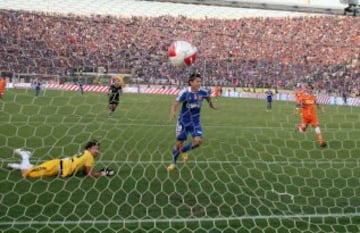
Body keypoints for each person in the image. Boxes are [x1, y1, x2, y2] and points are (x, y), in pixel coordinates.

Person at [167, 73, 217, 172]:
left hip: (195, 122)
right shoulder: (185, 93)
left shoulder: (203, 92)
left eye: (200, 81)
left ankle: (183, 151)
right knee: (178, 144)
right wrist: (173, 112)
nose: (199, 83)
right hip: (183, 122)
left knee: (198, 142)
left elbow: (208, 97)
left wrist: (211, 105)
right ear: (191, 82)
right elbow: (175, 104)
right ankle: (173, 163)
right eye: (197, 81)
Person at [7, 139, 114, 178]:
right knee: (28, 174)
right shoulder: (89, 156)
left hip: (58, 165)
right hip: (56, 167)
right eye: (96, 149)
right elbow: (89, 174)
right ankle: (25, 156)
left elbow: (85, 171)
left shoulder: (86, 154)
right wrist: (103, 173)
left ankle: (19, 165)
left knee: (33, 169)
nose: (98, 151)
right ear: (90, 148)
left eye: (98, 149)